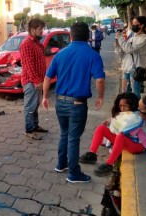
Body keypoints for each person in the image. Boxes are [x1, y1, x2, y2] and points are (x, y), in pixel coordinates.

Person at [42, 22, 105, 183]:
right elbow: (99, 79)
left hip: (60, 103)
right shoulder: (93, 55)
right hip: (77, 104)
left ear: (71, 36)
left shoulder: (61, 54)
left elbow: (48, 77)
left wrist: (44, 97)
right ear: (88, 36)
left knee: (64, 133)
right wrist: (100, 97)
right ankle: (74, 173)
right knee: (73, 138)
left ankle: (61, 164)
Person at [79, 92, 146, 177]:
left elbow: (123, 129)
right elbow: (120, 121)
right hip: (125, 140)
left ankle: (109, 164)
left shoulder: (137, 117)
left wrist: (113, 125)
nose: (122, 109)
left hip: (137, 145)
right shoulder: (126, 114)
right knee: (101, 128)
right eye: (120, 106)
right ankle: (92, 154)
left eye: (124, 106)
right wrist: (110, 121)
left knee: (120, 136)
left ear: (132, 105)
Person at [19, 18, 48, 140]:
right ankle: (29, 130)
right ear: (32, 29)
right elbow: (28, 66)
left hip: (37, 81)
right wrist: (37, 81)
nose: (42, 31)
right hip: (31, 82)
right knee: (30, 106)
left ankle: (35, 125)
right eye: (40, 29)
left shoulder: (36, 42)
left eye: (42, 28)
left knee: (35, 105)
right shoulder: (26, 44)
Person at [116, 16, 146, 99]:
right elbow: (123, 50)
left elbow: (130, 49)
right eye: (132, 24)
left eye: (135, 24)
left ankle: (136, 108)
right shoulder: (133, 37)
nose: (133, 26)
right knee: (126, 92)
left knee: (135, 93)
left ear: (141, 25)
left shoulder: (144, 38)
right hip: (127, 67)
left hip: (136, 68)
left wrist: (121, 39)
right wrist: (118, 43)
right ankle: (128, 108)